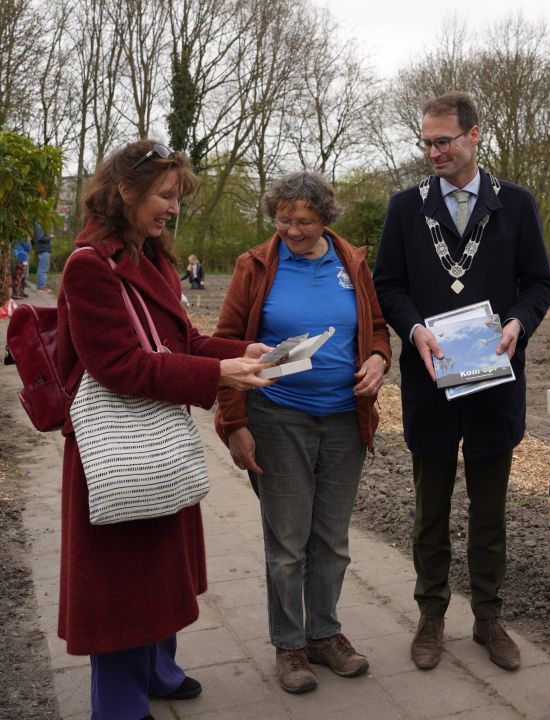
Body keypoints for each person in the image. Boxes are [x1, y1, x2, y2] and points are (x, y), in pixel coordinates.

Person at [55, 139, 275, 720]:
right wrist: (220, 374)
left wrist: (243, 351)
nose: (174, 207)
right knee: (122, 581)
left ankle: (160, 670)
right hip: (116, 446)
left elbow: (181, 343)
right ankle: (119, 705)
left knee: (159, 570)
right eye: (165, 195)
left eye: (177, 196)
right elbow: (120, 366)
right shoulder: (88, 266)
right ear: (125, 191)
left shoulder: (154, 256)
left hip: (154, 436)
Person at [373, 91, 550, 672]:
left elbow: (538, 283)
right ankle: (430, 616)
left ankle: (488, 618)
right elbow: (389, 284)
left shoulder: (516, 206)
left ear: (475, 135)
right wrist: (414, 329)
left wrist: (518, 323)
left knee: (489, 511)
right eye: (425, 142)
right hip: (429, 383)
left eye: (443, 141)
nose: (432, 152)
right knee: (429, 509)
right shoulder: (406, 208)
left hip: (494, 381)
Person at [214, 170, 392, 695]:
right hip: (278, 416)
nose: (293, 230)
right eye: (284, 220)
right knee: (288, 543)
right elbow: (225, 345)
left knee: (332, 541)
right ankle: (290, 644)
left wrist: (380, 359)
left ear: (325, 217)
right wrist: (234, 425)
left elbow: (377, 328)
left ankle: (325, 633)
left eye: (305, 221)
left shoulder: (352, 262)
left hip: (343, 419)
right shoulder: (256, 265)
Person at [34, 220, 53, 292]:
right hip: (44, 250)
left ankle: (40, 286)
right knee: (43, 269)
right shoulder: (39, 226)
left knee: (41, 268)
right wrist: (50, 237)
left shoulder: (38, 225)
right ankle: (41, 286)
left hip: (43, 250)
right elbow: (40, 238)